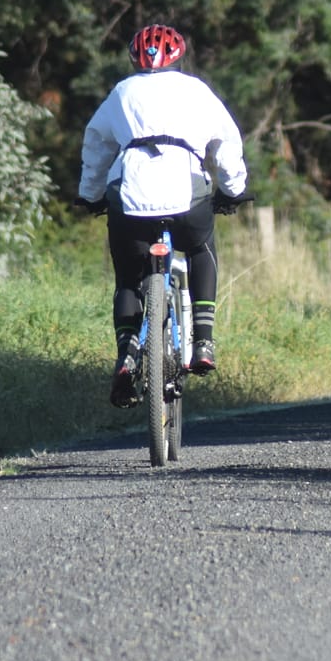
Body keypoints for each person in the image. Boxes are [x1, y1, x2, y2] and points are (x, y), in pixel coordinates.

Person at [78, 23, 249, 408]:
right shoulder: (196, 90)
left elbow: (96, 144)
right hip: (186, 195)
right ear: (179, 56)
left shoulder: (121, 92)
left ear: (134, 57)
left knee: (127, 276)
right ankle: (203, 339)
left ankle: (126, 351)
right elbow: (227, 142)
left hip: (130, 197)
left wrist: (89, 195)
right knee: (202, 248)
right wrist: (234, 189)